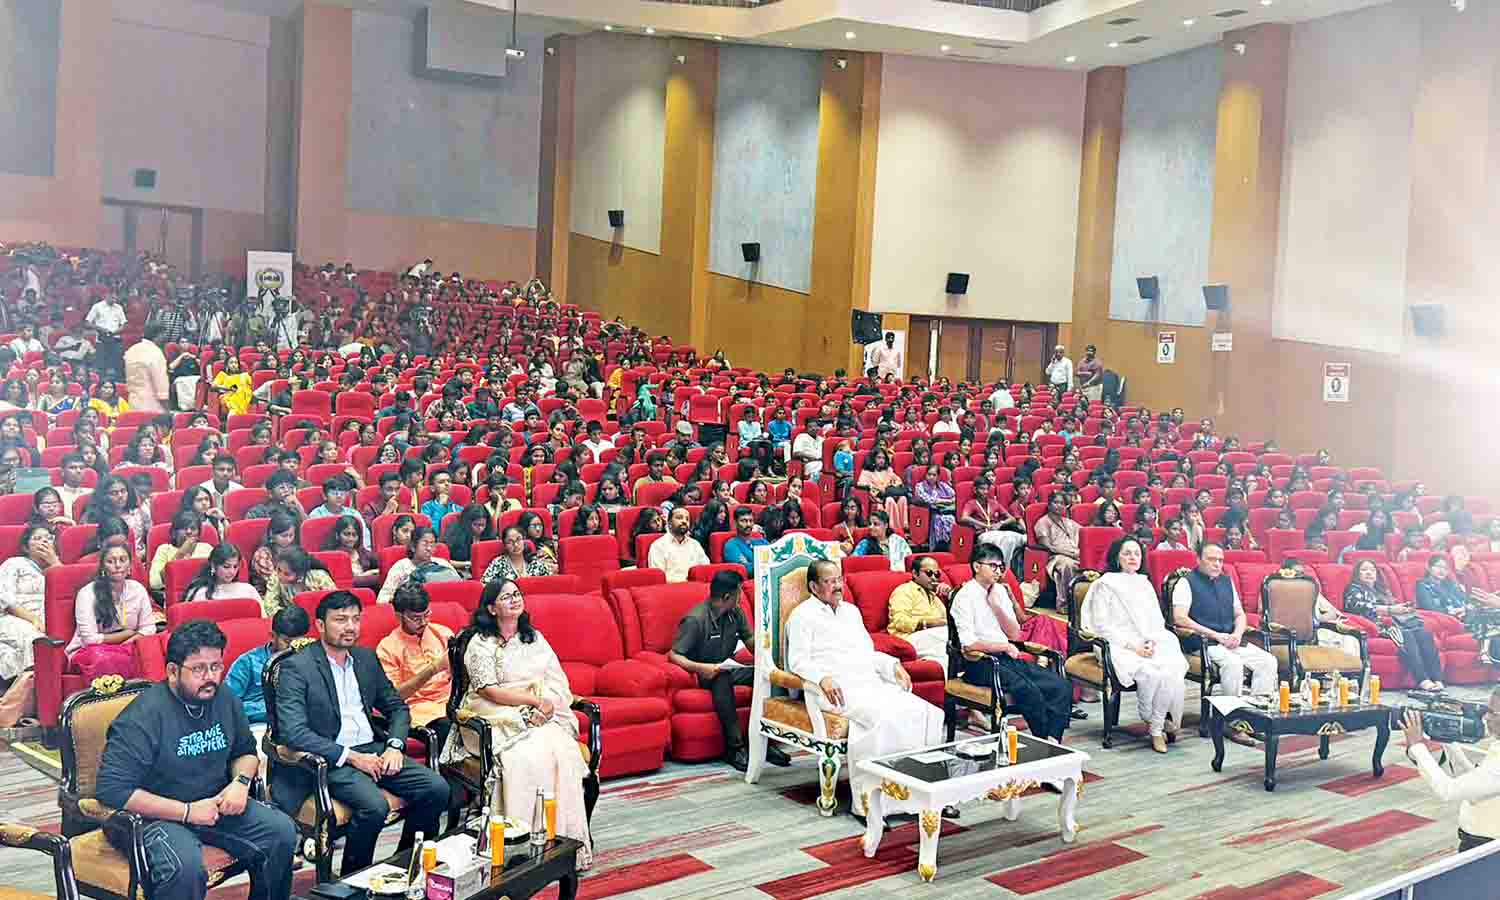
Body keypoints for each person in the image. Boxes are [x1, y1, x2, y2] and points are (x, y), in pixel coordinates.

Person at [96, 620, 300, 900]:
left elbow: (245, 752)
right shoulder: (142, 717)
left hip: (214, 805)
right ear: (172, 671)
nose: (210, 677)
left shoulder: (224, 697)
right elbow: (112, 790)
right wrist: (187, 811)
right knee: (184, 868)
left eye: (216, 666)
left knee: (281, 832)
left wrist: (240, 783)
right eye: (199, 669)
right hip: (153, 817)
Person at [272, 591, 450, 875]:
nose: (350, 627)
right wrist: (353, 757)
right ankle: (354, 878)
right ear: (320, 625)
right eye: (341, 620)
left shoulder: (365, 658)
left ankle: (404, 864)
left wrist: (394, 745)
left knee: (437, 788)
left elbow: (397, 707)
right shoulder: (297, 667)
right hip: (330, 758)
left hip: (374, 749)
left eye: (355, 619)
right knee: (374, 806)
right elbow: (293, 732)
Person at [438, 580, 593, 869]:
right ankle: (517, 848)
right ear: (491, 608)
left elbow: (555, 679)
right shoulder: (480, 643)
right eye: (506, 597)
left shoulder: (534, 638)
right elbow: (488, 690)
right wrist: (533, 702)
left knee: (562, 753)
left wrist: (546, 703)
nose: (514, 599)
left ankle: (559, 845)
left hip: (537, 711)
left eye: (517, 594)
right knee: (523, 759)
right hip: (491, 713)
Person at [787, 559, 948, 822]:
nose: (837, 586)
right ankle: (870, 803)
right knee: (881, 718)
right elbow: (797, 661)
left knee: (923, 711)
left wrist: (892, 665)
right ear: (814, 587)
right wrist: (822, 678)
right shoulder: (802, 616)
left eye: (839, 579)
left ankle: (918, 795)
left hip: (869, 682)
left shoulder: (851, 612)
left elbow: (867, 652)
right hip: (835, 690)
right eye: (829, 581)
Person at [667, 570, 790, 771]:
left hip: (727, 666)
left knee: (765, 675)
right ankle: (735, 748)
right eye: (738, 593)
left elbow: (749, 641)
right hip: (702, 673)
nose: (741, 598)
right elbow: (674, 655)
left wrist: (769, 657)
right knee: (721, 677)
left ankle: (764, 742)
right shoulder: (695, 619)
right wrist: (702, 668)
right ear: (726, 597)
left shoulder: (736, 613)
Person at [950, 547, 1074, 741]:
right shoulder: (964, 596)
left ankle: (1053, 740)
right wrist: (1004, 647)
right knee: (1029, 690)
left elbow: (1014, 633)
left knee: (1061, 686)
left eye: (1001, 567)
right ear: (976, 566)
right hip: (979, 663)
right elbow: (969, 645)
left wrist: (996, 606)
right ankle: (1042, 740)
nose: (998, 571)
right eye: (993, 566)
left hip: (1006, 659)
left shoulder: (999, 591)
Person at [1083, 537, 1188, 753]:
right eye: (1127, 553)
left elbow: (1156, 621)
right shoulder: (1105, 584)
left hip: (1147, 641)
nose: (1133, 557)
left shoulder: (1144, 583)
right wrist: (1135, 646)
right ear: (1117, 557)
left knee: (1171, 669)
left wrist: (1149, 642)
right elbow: (1102, 626)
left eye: (1137, 553)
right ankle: (1154, 722)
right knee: (1151, 673)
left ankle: (1157, 725)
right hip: (1116, 644)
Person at [1170, 544, 1279, 742]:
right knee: (1233, 664)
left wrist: (1237, 633)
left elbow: (1239, 614)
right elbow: (1180, 618)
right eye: (1211, 559)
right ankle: (1231, 721)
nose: (1217, 564)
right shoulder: (1186, 583)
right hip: (1202, 642)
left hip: (1230, 640)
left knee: (1268, 661)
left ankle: (1253, 719)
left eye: (1220, 560)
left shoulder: (1226, 581)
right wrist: (1216, 635)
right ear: (1198, 560)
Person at [1402, 687, 1500, 851]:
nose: (1486, 717)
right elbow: (1474, 785)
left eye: (1492, 712)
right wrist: (1445, 737)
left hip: (1487, 850)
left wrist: (1417, 746)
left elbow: (1448, 790)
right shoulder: (1497, 746)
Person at [1342, 559, 1444, 691]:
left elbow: (1393, 606)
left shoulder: (1381, 591)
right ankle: (1422, 679)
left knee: (1424, 634)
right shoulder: (1353, 589)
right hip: (1378, 626)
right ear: (1357, 573)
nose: (1369, 573)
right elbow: (1358, 606)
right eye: (1364, 570)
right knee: (1406, 635)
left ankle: (1437, 679)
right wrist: (1390, 610)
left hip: (1396, 623)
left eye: (1372, 570)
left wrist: (1403, 608)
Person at [376, 583, 454, 752]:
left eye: (427, 614)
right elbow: (394, 697)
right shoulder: (387, 648)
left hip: (453, 701)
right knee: (448, 729)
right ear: (399, 617)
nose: (424, 622)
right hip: (420, 709)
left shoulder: (443, 634)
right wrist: (433, 669)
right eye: (416, 618)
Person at [66, 545, 155, 680]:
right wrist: (126, 634)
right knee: (105, 659)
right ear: (102, 567)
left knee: (155, 649)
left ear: (129, 566)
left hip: (129, 645)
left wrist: (128, 642)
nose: (118, 565)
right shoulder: (87, 594)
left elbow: (148, 628)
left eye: (122, 560)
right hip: (92, 652)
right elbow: (90, 639)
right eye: (111, 561)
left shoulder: (138, 589)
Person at [0, 524, 58, 725]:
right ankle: (28, 709)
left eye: (48, 538)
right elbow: (5, 599)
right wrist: (32, 619)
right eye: (37, 538)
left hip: (49, 624)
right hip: (13, 618)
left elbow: (67, 593)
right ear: (26, 546)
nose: (43, 542)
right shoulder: (14, 564)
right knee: (37, 642)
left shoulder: (57, 568)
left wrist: (55, 563)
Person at [226, 605, 311, 733]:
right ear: (272, 636)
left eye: (300, 643)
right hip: (261, 725)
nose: (294, 648)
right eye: (288, 642)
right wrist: (273, 709)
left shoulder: (310, 659)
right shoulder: (248, 662)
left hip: (303, 725)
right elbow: (227, 705)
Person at [1416, 554, 1500, 664]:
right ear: (1428, 567)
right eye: (1438, 566)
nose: (1442, 570)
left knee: (1487, 611)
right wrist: (1452, 612)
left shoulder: (1451, 584)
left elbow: (1466, 600)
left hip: (1466, 615)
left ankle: (1485, 650)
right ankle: (1485, 648)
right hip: (1450, 618)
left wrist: (1465, 609)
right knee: (1488, 616)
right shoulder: (1422, 585)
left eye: (1445, 568)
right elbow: (1430, 608)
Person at [886, 555, 954, 671]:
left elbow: (949, 619)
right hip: (908, 638)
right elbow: (899, 621)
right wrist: (929, 623)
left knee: (945, 655)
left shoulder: (934, 596)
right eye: (929, 573)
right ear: (915, 573)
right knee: (949, 633)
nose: (934, 578)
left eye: (937, 574)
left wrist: (950, 597)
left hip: (932, 638)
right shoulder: (904, 591)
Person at [377, 526, 460, 604]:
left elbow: (460, 587)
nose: (429, 548)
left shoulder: (442, 563)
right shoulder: (401, 567)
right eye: (425, 544)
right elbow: (382, 599)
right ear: (413, 546)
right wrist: (402, 599)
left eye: (432, 544)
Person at [960, 476, 1026, 571]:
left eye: (987, 489)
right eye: (982, 489)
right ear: (975, 490)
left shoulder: (993, 503)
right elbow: (964, 517)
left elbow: (1012, 518)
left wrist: (1000, 524)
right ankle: (1004, 569)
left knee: (1020, 538)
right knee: (1007, 541)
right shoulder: (971, 503)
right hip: (983, 534)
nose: (985, 492)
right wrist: (983, 525)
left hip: (997, 532)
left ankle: (1005, 568)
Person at [1033, 492, 1082, 611]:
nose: (1059, 506)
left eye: (1062, 503)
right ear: (1049, 504)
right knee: (1067, 565)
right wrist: (1070, 554)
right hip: (1056, 556)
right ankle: (1065, 604)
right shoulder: (1043, 522)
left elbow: (1085, 532)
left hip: (1076, 553)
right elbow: (1048, 546)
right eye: (1056, 502)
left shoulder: (1069, 522)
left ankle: (1081, 603)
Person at [148, 511, 212, 593]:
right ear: (174, 532)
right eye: (184, 528)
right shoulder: (164, 550)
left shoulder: (207, 548)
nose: (189, 532)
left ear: (198, 533)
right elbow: (155, 583)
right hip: (174, 595)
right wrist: (180, 554)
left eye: (193, 528)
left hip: (204, 593)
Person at [183, 544, 261, 605]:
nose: (232, 572)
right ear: (214, 566)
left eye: (235, 566)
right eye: (226, 567)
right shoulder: (200, 594)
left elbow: (262, 619)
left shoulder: (248, 590)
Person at [648, 506, 710, 583]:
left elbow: (705, 569)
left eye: (687, 519)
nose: (684, 521)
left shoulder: (695, 545)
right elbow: (658, 578)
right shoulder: (658, 546)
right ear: (669, 523)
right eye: (679, 518)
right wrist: (684, 582)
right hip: (670, 588)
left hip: (696, 587)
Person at [857, 449, 909, 533]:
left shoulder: (888, 470)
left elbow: (898, 481)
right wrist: (874, 487)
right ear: (873, 458)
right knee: (889, 500)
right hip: (878, 497)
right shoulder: (867, 472)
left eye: (883, 458)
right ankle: (892, 528)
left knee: (903, 498)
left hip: (890, 494)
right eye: (879, 458)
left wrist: (892, 485)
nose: (881, 460)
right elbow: (861, 484)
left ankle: (903, 528)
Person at [123, 322, 171, 414]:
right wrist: (167, 408)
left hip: (133, 401)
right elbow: (160, 384)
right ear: (158, 336)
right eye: (164, 335)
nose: (165, 339)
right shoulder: (156, 353)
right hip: (152, 404)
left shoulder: (131, 349)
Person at [913, 465, 957, 549]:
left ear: (938, 477)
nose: (931, 477)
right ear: (926, 475)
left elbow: (954, 495)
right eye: (929, 474)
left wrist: (950, 500)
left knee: (951, 519)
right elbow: (926, 499)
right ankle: (937, 547)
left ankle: (948, 546)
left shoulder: (943, 485)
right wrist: (943, 501)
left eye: (934, 475)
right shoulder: (920, 486)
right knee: (939, 520)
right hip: (930, 513)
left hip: (946, 512)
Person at [722, 506, 767, 572]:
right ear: (735, 523)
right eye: (743, 521)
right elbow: (745, 569)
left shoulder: (762, 541)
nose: (748, 524)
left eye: (751, 521)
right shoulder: (731, 545)